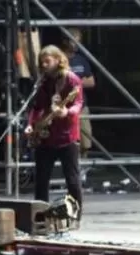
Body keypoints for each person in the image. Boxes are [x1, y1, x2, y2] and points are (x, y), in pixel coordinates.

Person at [24, 45, 84, 219]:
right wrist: (31, 124)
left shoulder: (72, 79)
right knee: (41, 180)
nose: (43, 64)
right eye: (41, 62)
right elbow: (37, 107)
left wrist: (67, 112)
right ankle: (40, 216)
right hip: (47, 137)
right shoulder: (43, 82)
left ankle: (76, 215)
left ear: (58, 60)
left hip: (67, 136)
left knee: (72, 180)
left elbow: (78, 103)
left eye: (47, 61)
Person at [61, 28, 96, 160]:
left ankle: (83, 168)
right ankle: (70, 168)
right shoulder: (59, 59)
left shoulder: (81, 59)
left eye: (79, 40)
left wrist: (76, 82)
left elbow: (92, 82)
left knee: (86, 140)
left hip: (82, 105)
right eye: (73, 40)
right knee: (69, 141)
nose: (76, 43)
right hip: (64, 107)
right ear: (65, 41)